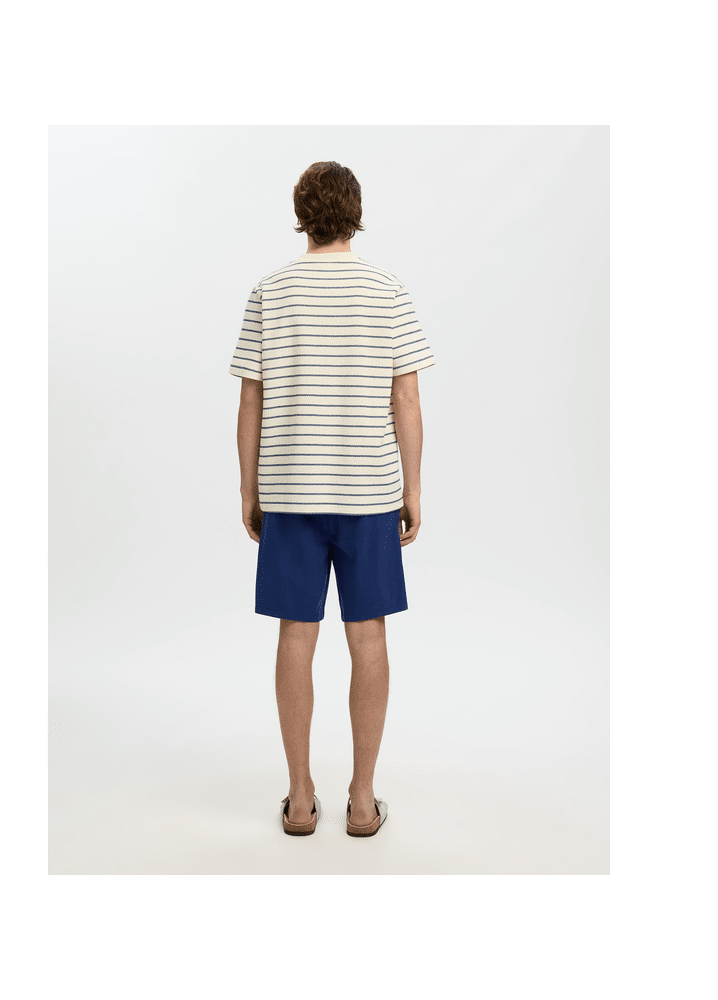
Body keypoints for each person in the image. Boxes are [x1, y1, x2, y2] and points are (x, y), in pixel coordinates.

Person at [229, 161, 436, 837]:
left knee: (297, 633)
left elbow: (251, 400)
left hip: (291, 489)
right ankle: (363, 799)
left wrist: (250, 488)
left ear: (301, 215)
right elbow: (407, 398)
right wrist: (411, 487)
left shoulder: (270, 291)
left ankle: (298, 798)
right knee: (368, 634)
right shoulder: (387, 290)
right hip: (368, 492)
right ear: (356, 213)